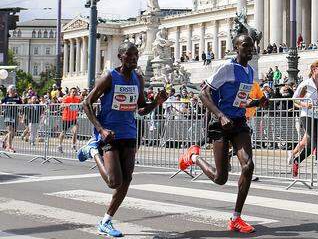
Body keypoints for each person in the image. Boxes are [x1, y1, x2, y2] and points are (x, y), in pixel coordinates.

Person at [76, 41, 168, 237]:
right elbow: (86, 103)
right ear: (120, 57)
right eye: (129, 55)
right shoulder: (109, 77)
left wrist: (157, 103)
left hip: (129, 133)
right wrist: (100, 130)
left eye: (136, 55)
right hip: (109, 133)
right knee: (113, 182)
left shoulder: (138, 78)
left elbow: (141, 108)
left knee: (126, 181)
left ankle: (106, 221)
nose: (134, 58)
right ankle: (93, 150)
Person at [180, 34, 267, 234]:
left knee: (248, 165)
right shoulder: (227, 68)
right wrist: (220, 116)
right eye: (245, 45)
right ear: (236, 48)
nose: (250, 48)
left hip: (238, 122)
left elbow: (240, 101)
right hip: (221, 124)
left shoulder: (250, 70)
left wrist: (257, 103)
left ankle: (236, 218)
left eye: (251, 45)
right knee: (220, 178)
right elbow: (203, 93)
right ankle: (193, 157)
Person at [289, 61, 318, 181]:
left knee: (312, 144)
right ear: (313, 69)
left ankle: (296, 161)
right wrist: (304, 104)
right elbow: (294, 100)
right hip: (307, 115)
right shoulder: (305, 84)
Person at [58, 87, 82, 153]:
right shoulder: (67, 98)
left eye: (75, 92)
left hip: (73, 118)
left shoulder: (77, 99)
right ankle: (59, 145)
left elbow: (80, 105)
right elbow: (61, 106)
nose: (74, 93)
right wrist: (68, 104)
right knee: (63, 132)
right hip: (66, 118)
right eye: (73, 92)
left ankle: (73, 145)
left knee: (75, 131)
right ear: (70, 92)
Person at [1, 85, 22, 152]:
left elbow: (22, 106)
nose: (13, 90)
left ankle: (4, 141)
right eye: (12, 89)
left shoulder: (18, 98)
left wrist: (21, 115)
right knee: (10, 131)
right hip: (8, 116)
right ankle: (9, 147)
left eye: (14, 89)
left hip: (15, 116)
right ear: (9, 90)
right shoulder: (6, 98)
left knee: (13, 132)